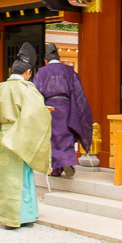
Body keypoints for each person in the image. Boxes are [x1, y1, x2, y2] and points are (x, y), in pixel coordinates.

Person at [0, 42, 52, 229]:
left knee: (6, 179)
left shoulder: (0, 89)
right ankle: (24, 216)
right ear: (27, 72)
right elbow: (37, 114)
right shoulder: (27, 89)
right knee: (23, 176)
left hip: (4, 136)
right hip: (19, 136)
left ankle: (5, 216)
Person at [33, 43, 93, 178]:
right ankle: (68, 163)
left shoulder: (42, 71)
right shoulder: (69, 71)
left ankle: (55, 169)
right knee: (67, 134)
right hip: (67, 106)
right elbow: (78, 92)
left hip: (49, 107)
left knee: (52, 137)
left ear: (45, 61)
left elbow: (36, 92)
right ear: (59, 58)